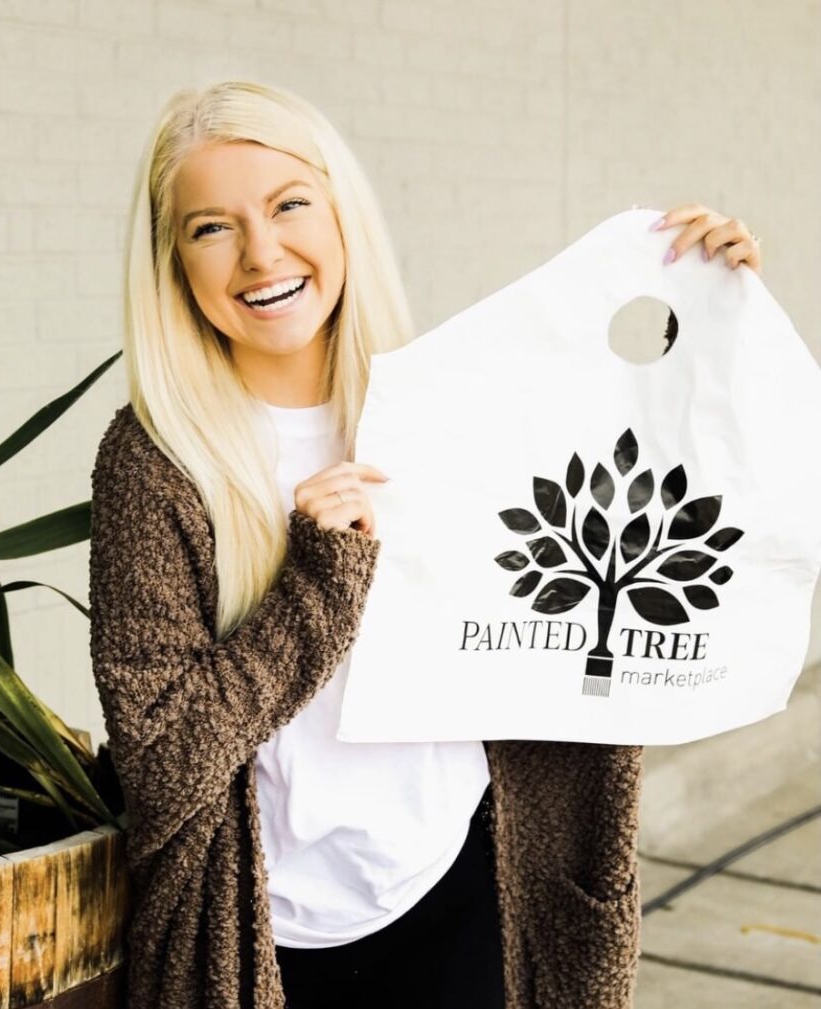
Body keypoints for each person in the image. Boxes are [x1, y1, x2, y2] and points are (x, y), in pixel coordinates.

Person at [87, 80, 763, 1009]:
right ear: (173, 261)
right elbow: (160, 758)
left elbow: (647, 483)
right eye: (213, 227)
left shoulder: (445, 400)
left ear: (342, 213)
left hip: (458, 890)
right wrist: (314, 586)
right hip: (265, 936)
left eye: (289, 205)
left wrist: (712, 317)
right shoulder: (157, 459)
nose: (262, 253)